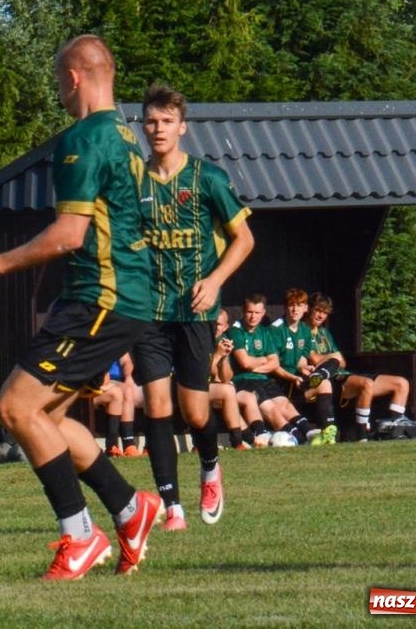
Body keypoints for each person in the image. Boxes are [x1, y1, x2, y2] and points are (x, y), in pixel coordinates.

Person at [0, 35, 162, 580]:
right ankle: (128, 507)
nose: (59, 95)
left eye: (57, 83)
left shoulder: (84, 138)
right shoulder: (125, 135)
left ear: (73, 78)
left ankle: (80, 536)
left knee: (16, 408)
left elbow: (69, 234)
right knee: (48, 416)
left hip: (100, 299)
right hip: (123, 299)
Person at [134, 84, 254, 529]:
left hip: (195, 312)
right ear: (143, 127)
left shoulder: (208, 178)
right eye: (151, 121)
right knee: (156, 406)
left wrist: (215, 279)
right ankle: (172, 508)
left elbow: (245, 239)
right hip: (148, 311)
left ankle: (209, 467)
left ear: (182, 128)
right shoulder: (134, 180)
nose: (158, 129)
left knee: (196, 412)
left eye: (167, 121)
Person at [303, 293, 416, 439]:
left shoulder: (324, 333)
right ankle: (362, 435)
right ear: (309, 308)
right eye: (318, 310)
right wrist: (333, 357)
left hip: (344, 374)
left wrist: (334, 358)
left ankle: (396, 429)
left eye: (325, 312)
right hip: (330, 381)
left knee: (401, 383)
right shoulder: (303, 331)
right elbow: (314, 358)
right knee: (366, 384)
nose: (321, 315)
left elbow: (342, 362)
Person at [229, 294, 321, 446]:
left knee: (284, 403)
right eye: (250, 312)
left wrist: (257, 364)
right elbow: (245, 363)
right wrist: (264, 359)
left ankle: (309, 432)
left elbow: (275, 362)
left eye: (257, 313)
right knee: (270, 407)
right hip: (243, 380)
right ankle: (293, 436)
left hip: (264, 378)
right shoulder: (236, 331)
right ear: (243, 311)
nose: (253, 317)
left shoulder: (264, 332)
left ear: (264, 312)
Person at [275, 288, 337, 445]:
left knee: (329, 373)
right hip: (282, 383)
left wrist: (304, 368)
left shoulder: (304, 330)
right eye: (291, 305)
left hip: (298, 381)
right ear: (285, 307)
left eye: (299, 305)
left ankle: (327, 435)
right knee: (326, 378)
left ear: (305, 308)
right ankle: (319, 376)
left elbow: (301, 360)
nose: (295, 309)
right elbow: (273, 365)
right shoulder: (276, 329)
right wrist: (294, 375)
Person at [207, 309, 251, 451]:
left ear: (225, 327)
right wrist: (217, 356)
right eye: (213, 323)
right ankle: (244, 440)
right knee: (227, 391)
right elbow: (201, 374)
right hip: (190, 387)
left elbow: (225, 378)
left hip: (211, 388)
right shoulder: (200, 340)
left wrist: (224, 358)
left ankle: (241, 441)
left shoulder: (223, 341)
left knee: (230, 390)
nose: (215, 327)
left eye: (219, 324)